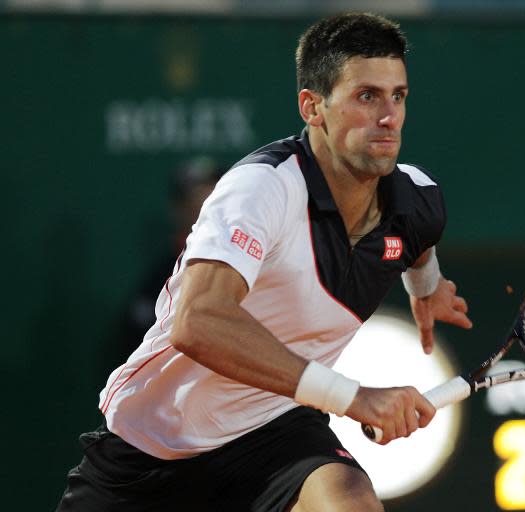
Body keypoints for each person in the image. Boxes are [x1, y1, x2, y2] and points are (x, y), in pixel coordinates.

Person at [57, 12, 472, 512]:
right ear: (312, 106)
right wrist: (354, 397)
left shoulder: (417, 199)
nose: (388, 116)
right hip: (150, 452)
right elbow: (198, 322)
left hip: (277, 432)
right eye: (367, 96)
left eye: (398, 95)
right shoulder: (261, 188)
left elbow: (419, 240)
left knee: (350, 503)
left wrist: (426, 286)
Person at [110, 157, 225, 371]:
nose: (205, 208)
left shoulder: (254, 267)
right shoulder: (158, 282)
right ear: (177, 209)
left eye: (214, 197)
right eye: (196, 200)